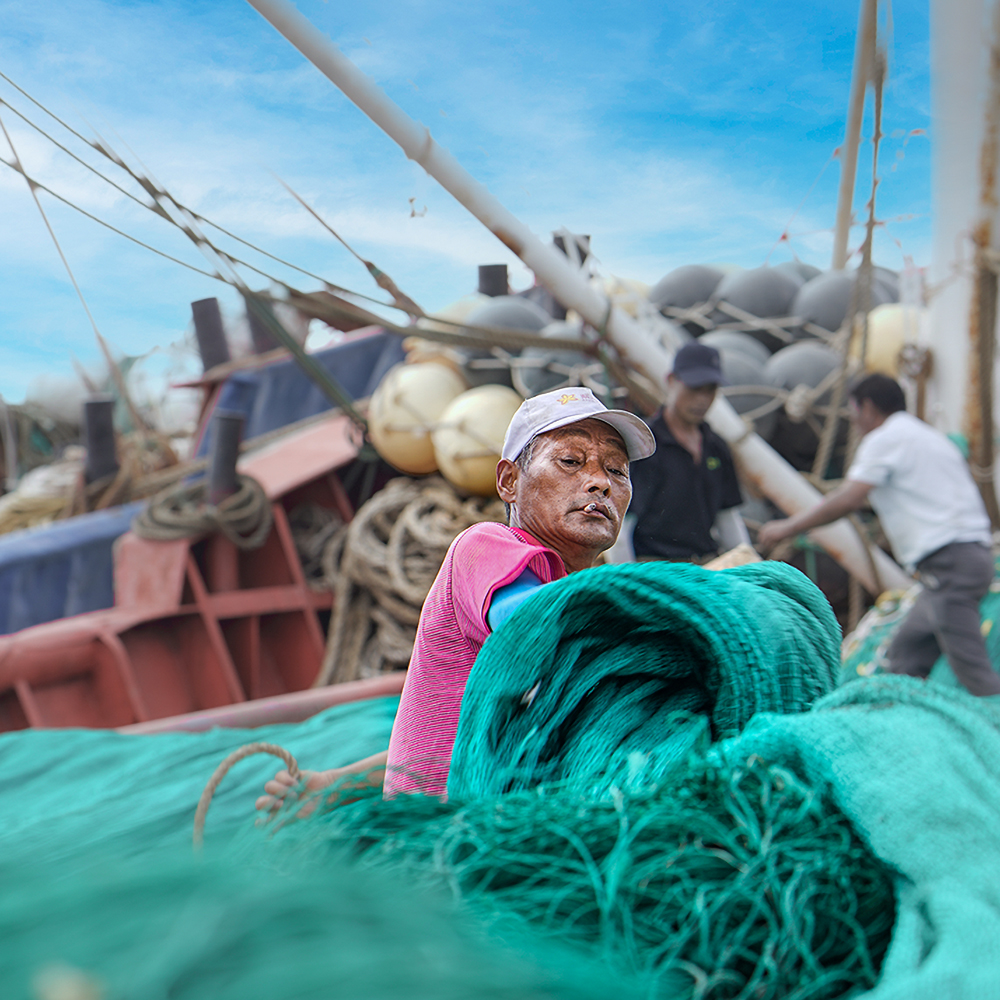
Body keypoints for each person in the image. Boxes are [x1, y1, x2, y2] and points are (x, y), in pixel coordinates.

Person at [256, 386, 656, 812]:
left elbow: (442, 741)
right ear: (509, 481)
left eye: (616, 470)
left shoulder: (581, 587)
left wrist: (334, 783)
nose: (599, 482)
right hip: (455, 836)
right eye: (571, 462)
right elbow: (533, 626)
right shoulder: (487, 546)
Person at [757, 373, 1000, 697]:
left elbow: (848, 499)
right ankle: (904, 726)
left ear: (867, 407)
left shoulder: (885, 439)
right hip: (962, 562)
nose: (855, 423)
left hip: (949, 565)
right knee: (906, 655)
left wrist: (788, 527)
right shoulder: (927, 436)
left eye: (853, 411)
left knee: (975, 674)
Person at [626, 342, 748, 562]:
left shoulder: (716, 448)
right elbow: (623, 523)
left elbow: (727, 518)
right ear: (671, 381)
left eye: (710, 390)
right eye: (694, 388)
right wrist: (624, 586)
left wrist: (748, 566)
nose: (702, 399)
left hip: (704, 565)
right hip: (654, 568)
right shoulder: (643, 445)